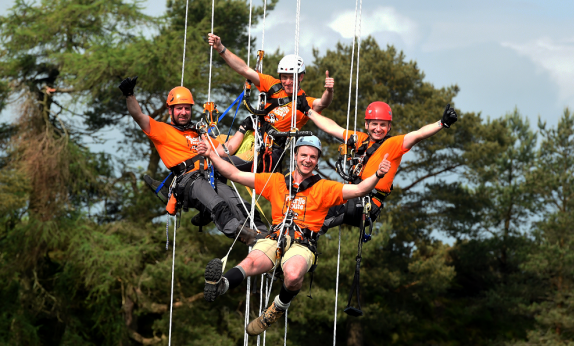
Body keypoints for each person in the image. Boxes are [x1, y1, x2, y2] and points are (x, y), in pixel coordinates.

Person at [198, 135, 391, 336]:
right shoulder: (277, 181)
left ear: (317, 161)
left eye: (313, 157)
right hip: (275, 239)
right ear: (295, 156)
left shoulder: (325, 188)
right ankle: (222, 284)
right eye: (304, 155)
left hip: (303, 245)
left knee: (292, 274)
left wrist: (377, 174)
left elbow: (360, 189)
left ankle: (277, 308)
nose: (308, 160)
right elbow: (235, 174)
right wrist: (212, 154)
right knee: (251, 262)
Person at [118, 76, 267, 244]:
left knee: (237, 202)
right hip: (189, 180)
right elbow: (138, 116)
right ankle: (242, 233)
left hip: (209, 177)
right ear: (170, 110)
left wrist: (243, 128)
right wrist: (129, 94)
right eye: (179, 108)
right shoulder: (162, 130)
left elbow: (225, 151)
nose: (183, 112)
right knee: (217, 204)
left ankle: (265, 234)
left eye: (187, 108)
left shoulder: (199, 133)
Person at [295, 97, 458, 234]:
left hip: (366, 203)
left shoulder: (394, 144)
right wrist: (309, 112)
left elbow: (418, 134)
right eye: (374, 124)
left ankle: (305, 236)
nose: (378, 128)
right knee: (309, 203)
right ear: (366, 124)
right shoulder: (359, 140)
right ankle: (299, 235)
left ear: (389, 127)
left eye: (382, 125)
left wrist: (441, 123)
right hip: (351, 197)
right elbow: (331, 127)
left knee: (316, 218)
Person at [207, 33, 335, 172]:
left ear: (301, 77)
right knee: (202, 146)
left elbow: (322, 103)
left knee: (218, 164)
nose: (287, 82)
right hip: (248, 136)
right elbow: (244, 69)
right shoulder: (273, 85)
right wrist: (221, 48)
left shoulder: (303, 102)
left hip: (265, 151)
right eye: (284, 77)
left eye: (292, 78)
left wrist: (329, 91)